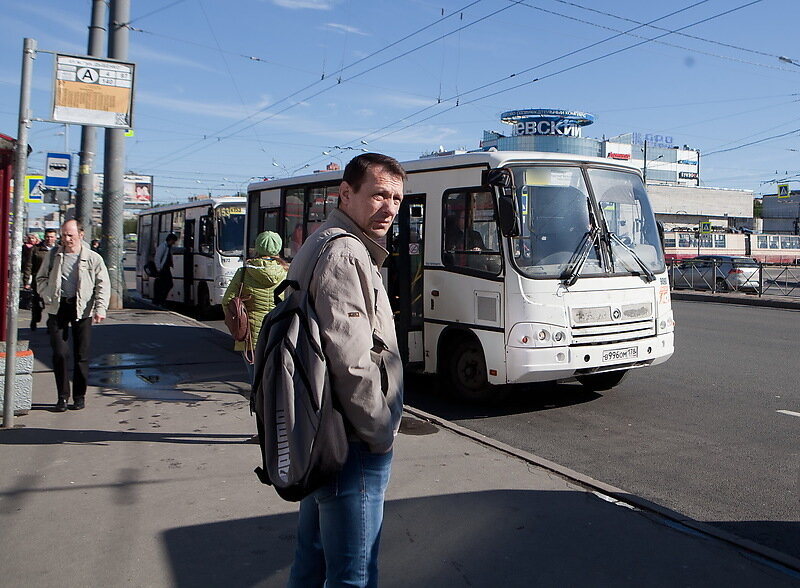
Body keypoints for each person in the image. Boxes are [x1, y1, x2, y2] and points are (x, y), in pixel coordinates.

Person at [286, 153, 405, 588]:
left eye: (396, 198)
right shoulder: (346, 252)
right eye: (378, 195)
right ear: (345, 193)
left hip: (322, 430)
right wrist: (381, 432)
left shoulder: (323, 240)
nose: (389, 208)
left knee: (312, 561)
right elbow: (352, 363)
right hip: (349, 441)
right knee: (354, 575)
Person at [36, 219, 110, 412]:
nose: (66, 239)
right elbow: (41, 278)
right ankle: (62, 397)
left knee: (81, 355)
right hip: (58, 307)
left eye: (70, 235)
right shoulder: (54, 255)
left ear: (81, 235)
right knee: (60, 353)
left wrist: (100, 309)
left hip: (82, 309)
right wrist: (46, 294)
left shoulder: (93, 258)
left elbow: (102, 285)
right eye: (64, 235)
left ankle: (79, 396)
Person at [222, 231, 288, 383]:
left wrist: (235, 323)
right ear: (278, 248)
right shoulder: (286, 272)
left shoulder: (244, 272)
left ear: (257, 247)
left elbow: (227, 301)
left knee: (255, 381)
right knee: (276, 380)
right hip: (278, 332)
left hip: (250, 336)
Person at [28, 228, 59, 331]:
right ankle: (35, 319)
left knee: (52, 303)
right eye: (47, 237)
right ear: (44, 237)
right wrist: (26, 280)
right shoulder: (36, 249)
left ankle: (50, 324)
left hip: (53, 281)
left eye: (52, 237)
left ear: (55, 238)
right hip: (39, 280)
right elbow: (29, 265)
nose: (49, 239)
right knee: (37, 303)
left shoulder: (59, 249)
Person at [153, 233, 178, 306]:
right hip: (162, 269)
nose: (174, 243)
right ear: (170, 240)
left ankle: (161, 300)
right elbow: (157, 258)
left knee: (167, 284)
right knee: (167, 284)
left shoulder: (168, 247)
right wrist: (158, 268)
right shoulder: (163, 246)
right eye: (173, 241)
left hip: (166, 268)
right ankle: (160, 301)